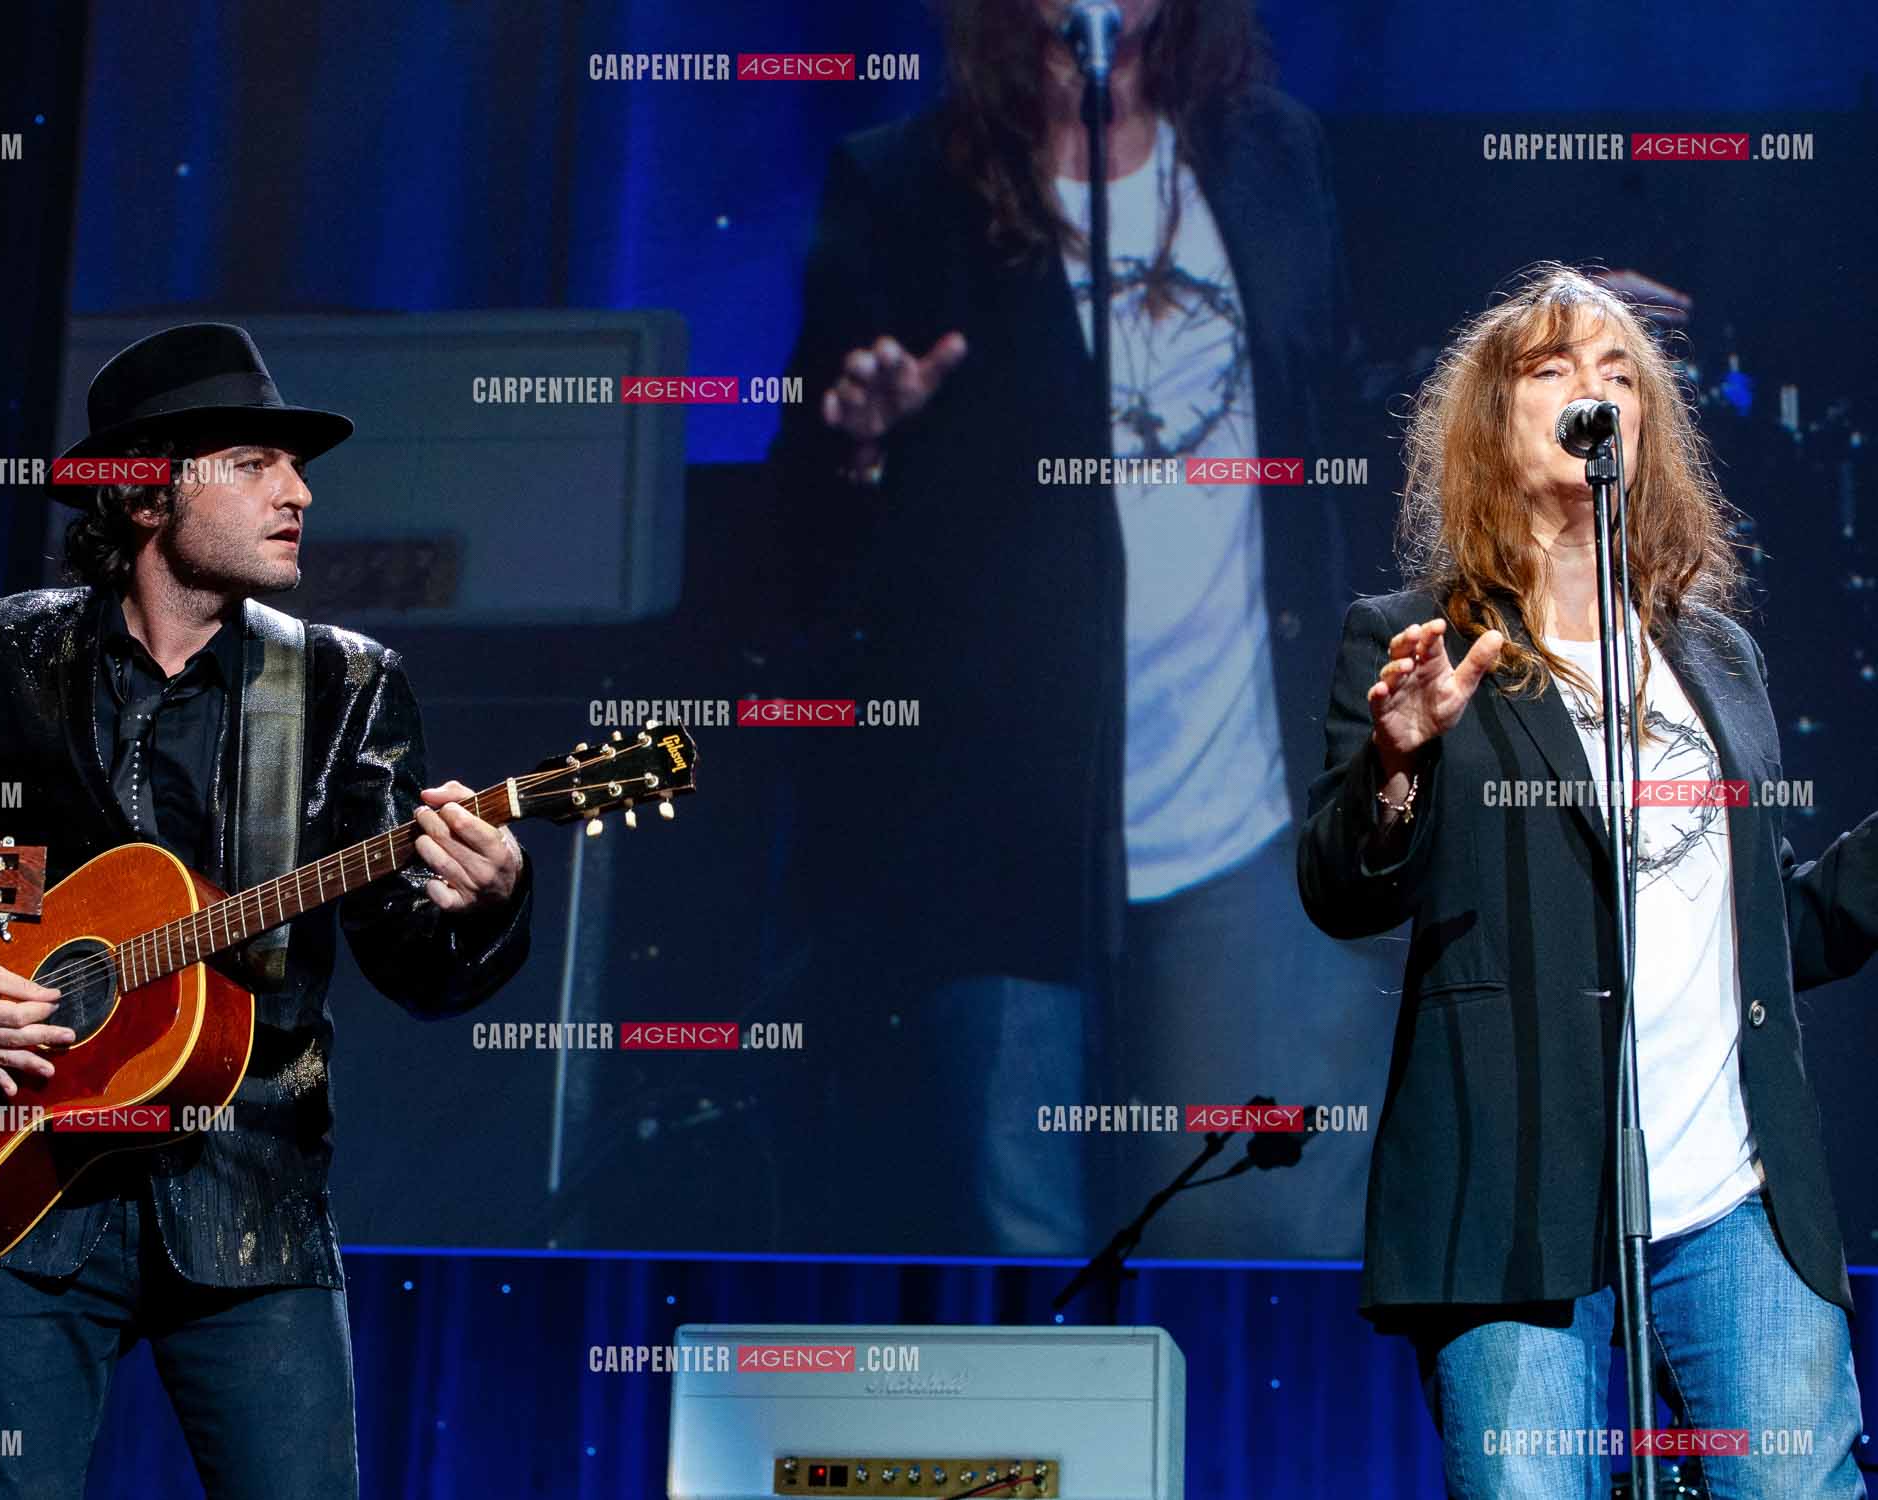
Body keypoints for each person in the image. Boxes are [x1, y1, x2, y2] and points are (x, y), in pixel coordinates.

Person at [0, 323, 534, 1498]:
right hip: (11, 1179)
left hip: (249, 1202)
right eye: (252, 463)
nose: (297, 493)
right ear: (145, 492)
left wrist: (487, 899)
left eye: (293, 468)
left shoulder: (346, 684)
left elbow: (418, 966)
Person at [770, 0, 1392, 1257]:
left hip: (1246, 804)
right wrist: (858, 437)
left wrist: (1524, 359)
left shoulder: (1273, 153)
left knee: (1253, 1222)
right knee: (1019, 1249)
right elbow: (793, 536)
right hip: (1009, 829)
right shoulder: (901, 183)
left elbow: (1342, 401)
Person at [1298, 264, 1869, 1498]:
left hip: (1732, 1196)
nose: (1590, 389)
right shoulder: (1416, 638)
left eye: (1618, 372)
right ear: (1491, 423)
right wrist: (1398, 762)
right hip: (1512, 1201)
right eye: (1551, 369)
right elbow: (1344, 890)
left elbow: (1771, 930)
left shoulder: (1713, 655)